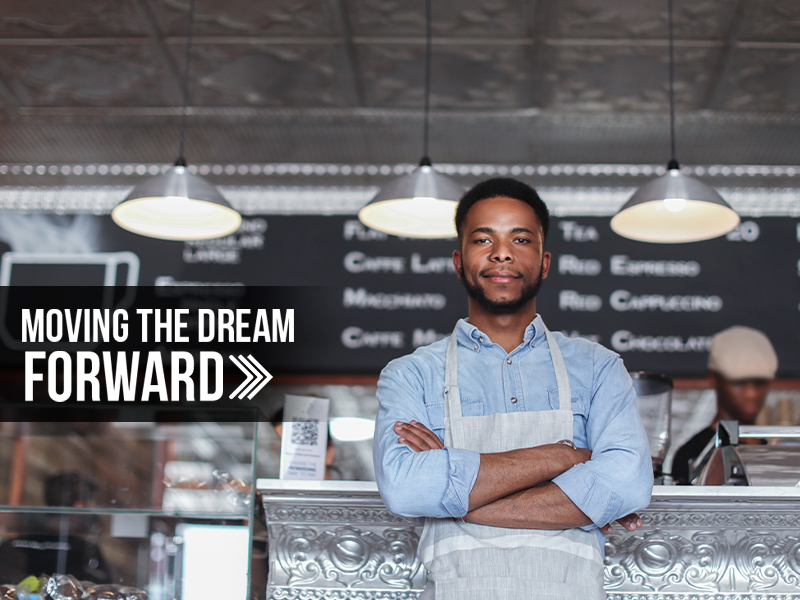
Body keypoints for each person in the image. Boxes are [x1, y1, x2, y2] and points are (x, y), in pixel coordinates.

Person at [373, 178, 653, 600]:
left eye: (520, 239)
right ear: (458, 260)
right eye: (483, 239)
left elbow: (627, 485)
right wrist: (563, 458)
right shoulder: (411, 374)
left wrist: (455, 495)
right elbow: (405, 489)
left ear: (544, 262)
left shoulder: (598, 368)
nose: (501, 252)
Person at [671, 325, 778, 485]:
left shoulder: (777, 454)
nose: (751, 393)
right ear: (713, 378)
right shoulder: (692, 454)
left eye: (759, 382)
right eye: (739, 382)